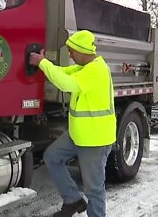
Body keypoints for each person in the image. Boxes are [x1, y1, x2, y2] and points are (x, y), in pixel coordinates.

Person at [28, 30, 116, 217]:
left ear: (82, 50)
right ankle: (73, 200)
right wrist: (45, 64)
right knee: (52, 157)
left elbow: (65, 83)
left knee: (94, 189)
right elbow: (63, 72)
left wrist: (42, 63)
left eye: (71, 51)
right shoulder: (84, 68)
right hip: (79, 135)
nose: (69, 55)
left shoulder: (96, 70)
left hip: (95, 139)